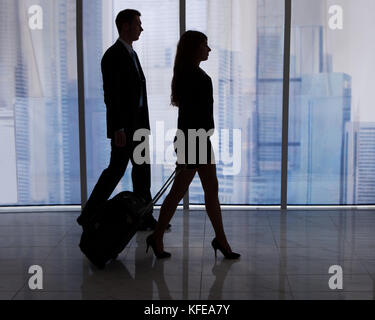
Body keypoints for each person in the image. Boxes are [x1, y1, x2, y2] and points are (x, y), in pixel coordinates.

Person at [146, 31, 240, 259]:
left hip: (194, 140)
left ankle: (220, 239)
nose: (209, 49)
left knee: (208, 190)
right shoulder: (198, 77)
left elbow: (189, 116)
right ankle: (158, 235)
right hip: (195, 141)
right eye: (205, 45)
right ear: (195, 48)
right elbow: (198, 116)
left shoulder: (186, 74)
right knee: (183, 191)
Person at [77, 9, 163, 231]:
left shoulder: (132, 54)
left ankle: (144, 216)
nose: (141, 28)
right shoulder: (113, 55)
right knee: (116, 170)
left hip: (140, 125)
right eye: (138, 24)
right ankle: (89, 215)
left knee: (142, 171)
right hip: (125, 127)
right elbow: (112, 96)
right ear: (125, 26)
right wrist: (118, 128)